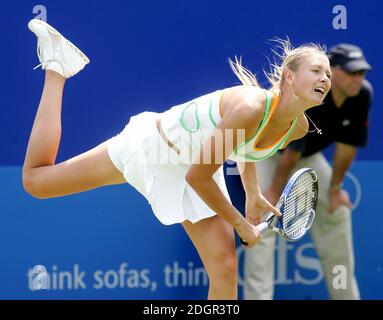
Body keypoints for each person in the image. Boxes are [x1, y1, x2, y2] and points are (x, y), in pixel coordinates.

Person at [22, 19, 332, 300]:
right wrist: (239, 223)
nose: (325, 78)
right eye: (317, 70)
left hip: (193, 166)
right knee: (37, 182)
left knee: (224, 268)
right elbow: (198, 177)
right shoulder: (250, 107)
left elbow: (244, 147)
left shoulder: (297, 126)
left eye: (328, 73)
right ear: (289, 76)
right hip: (153, 149)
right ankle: (58, 70)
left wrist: (253, 194)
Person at [243, 43, 373, 300]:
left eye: (361, 73)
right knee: (261, 221)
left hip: (307, 157)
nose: (358, 79)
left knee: (338, 213)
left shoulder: (361, 95)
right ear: (333, 72)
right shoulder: (313, 96)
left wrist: (335, 189)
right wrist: (270, 192)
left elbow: (347, 147)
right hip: (270, 152)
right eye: (351, 72)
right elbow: (290, 152)